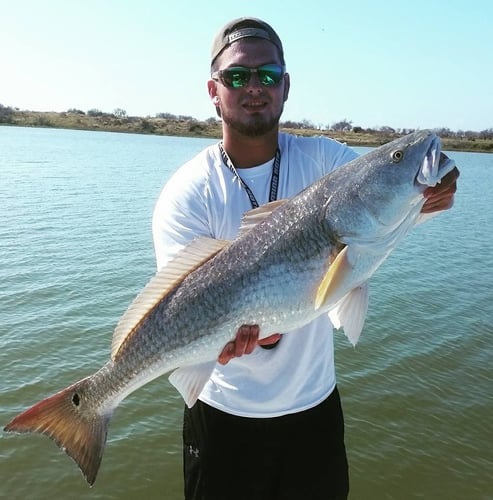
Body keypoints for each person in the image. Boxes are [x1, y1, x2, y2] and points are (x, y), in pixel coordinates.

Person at [152, 17, 459, 500]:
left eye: (268, 75)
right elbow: (177, 304)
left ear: (286, 85)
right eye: (237, 76)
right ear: (213, 90)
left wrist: (431, 191)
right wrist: (228, 333)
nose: (254, 87)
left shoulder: (330, 163)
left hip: (313, 417)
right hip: (222, 423)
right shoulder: (187, 194)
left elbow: (376, 216)